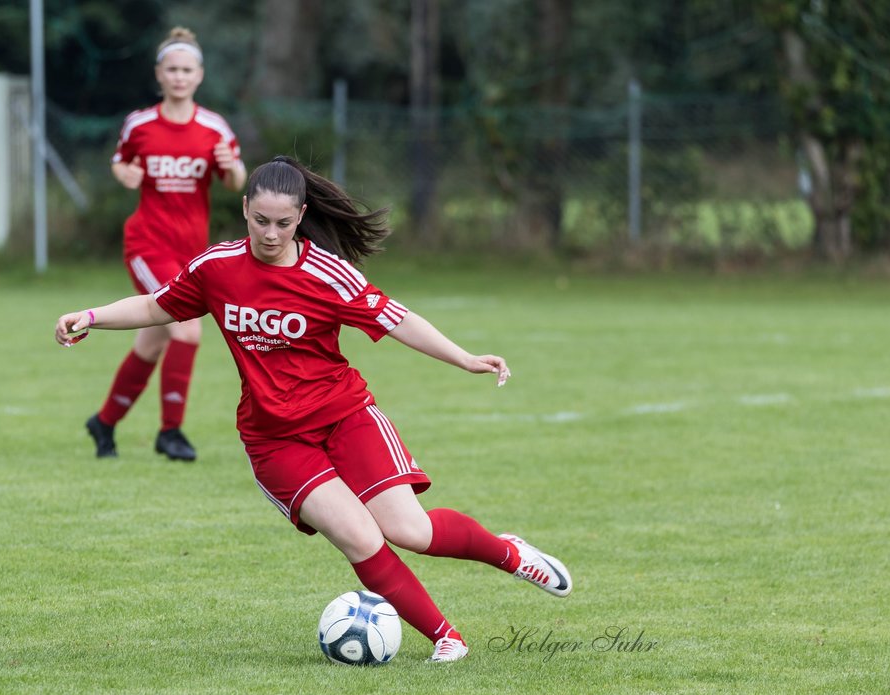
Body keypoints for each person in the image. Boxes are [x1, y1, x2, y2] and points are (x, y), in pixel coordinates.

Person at [56, 156, 572, 662]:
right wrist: (90, 315)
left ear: (301, 216)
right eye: (260, 221)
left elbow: (398, 320)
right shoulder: (216, 267)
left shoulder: (328, 274)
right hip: (274, 439)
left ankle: (511, 554)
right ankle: (447, 637)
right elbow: (155, 305)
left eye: (283, 223)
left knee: (412, 532)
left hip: (345, 417)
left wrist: (464, 359)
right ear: (244, 210)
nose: (271, 234)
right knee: (358, 536)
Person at [84, 26, 247, 462]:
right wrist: (127, 176)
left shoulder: (214, 127)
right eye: (171, 69)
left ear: (199, 75)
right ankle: (170, 433)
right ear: (159, 74)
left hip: (190, 251)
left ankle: (104, 422)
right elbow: (120, 163)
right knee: (187, 328)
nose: (178, 76)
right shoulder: (140, 124)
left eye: (186, 70)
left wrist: (232, 168)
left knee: (153, 341)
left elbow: (237, 181)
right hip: (147, 245)